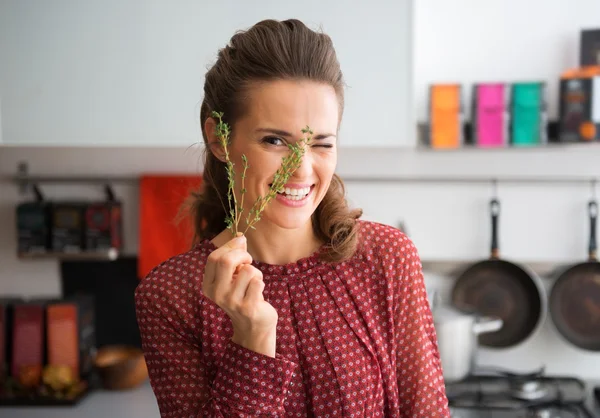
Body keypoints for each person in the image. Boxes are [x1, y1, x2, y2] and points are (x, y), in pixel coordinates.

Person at [134, 18, 450, 417]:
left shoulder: (387, 258)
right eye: (275, 140)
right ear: (219, 139)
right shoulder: (170, 297)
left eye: (321, 143)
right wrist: (253, 338)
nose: (301, 170)